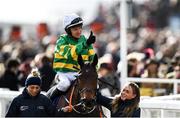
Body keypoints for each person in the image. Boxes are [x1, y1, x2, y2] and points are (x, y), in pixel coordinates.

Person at [48, 13, 96, 101]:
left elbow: (93, 58)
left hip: (79, 73)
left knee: (95, 85)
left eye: (80, 28)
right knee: (64, 85)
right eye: (75, 29)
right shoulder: (62, 40)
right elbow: (70, 54)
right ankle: (48, 101)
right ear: (68, 30)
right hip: (64, 74)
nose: (79, 31)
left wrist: (94, 72)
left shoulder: (85, 40)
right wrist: (85, 44)